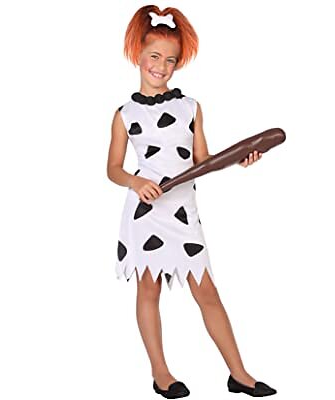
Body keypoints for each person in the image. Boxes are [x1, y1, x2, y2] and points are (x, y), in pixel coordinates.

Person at [107, 5, 276, 398]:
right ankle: (161, 373)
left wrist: (239, 160)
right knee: (148, 290)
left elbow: (203, 161)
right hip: (146, 213)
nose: (161, 67)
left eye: (170, 60)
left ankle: (239, 374)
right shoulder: (125, 114)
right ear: (137, 54)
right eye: (154, 56)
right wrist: (136, 181)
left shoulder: (190, 108)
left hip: (183, 213)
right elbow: (113, 169)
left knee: (207, 291)